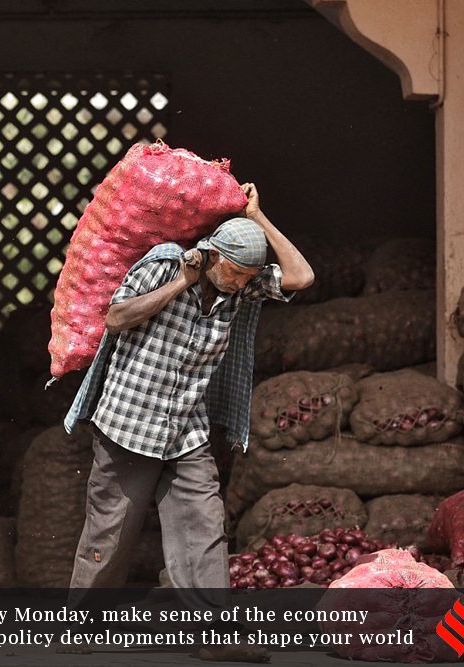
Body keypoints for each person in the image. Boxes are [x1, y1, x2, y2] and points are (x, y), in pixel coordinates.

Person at [61, 183, 312, 661]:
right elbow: (116, 318)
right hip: (127, 426)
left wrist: (258, 218)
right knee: (110, 532)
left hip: (185, 431)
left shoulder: (243, 286)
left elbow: (301, 276)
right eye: (234, 273)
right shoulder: (162, 264)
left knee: (203, 526)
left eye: (247, 277)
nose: (240, 284)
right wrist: (180, 281)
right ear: (211, 257)